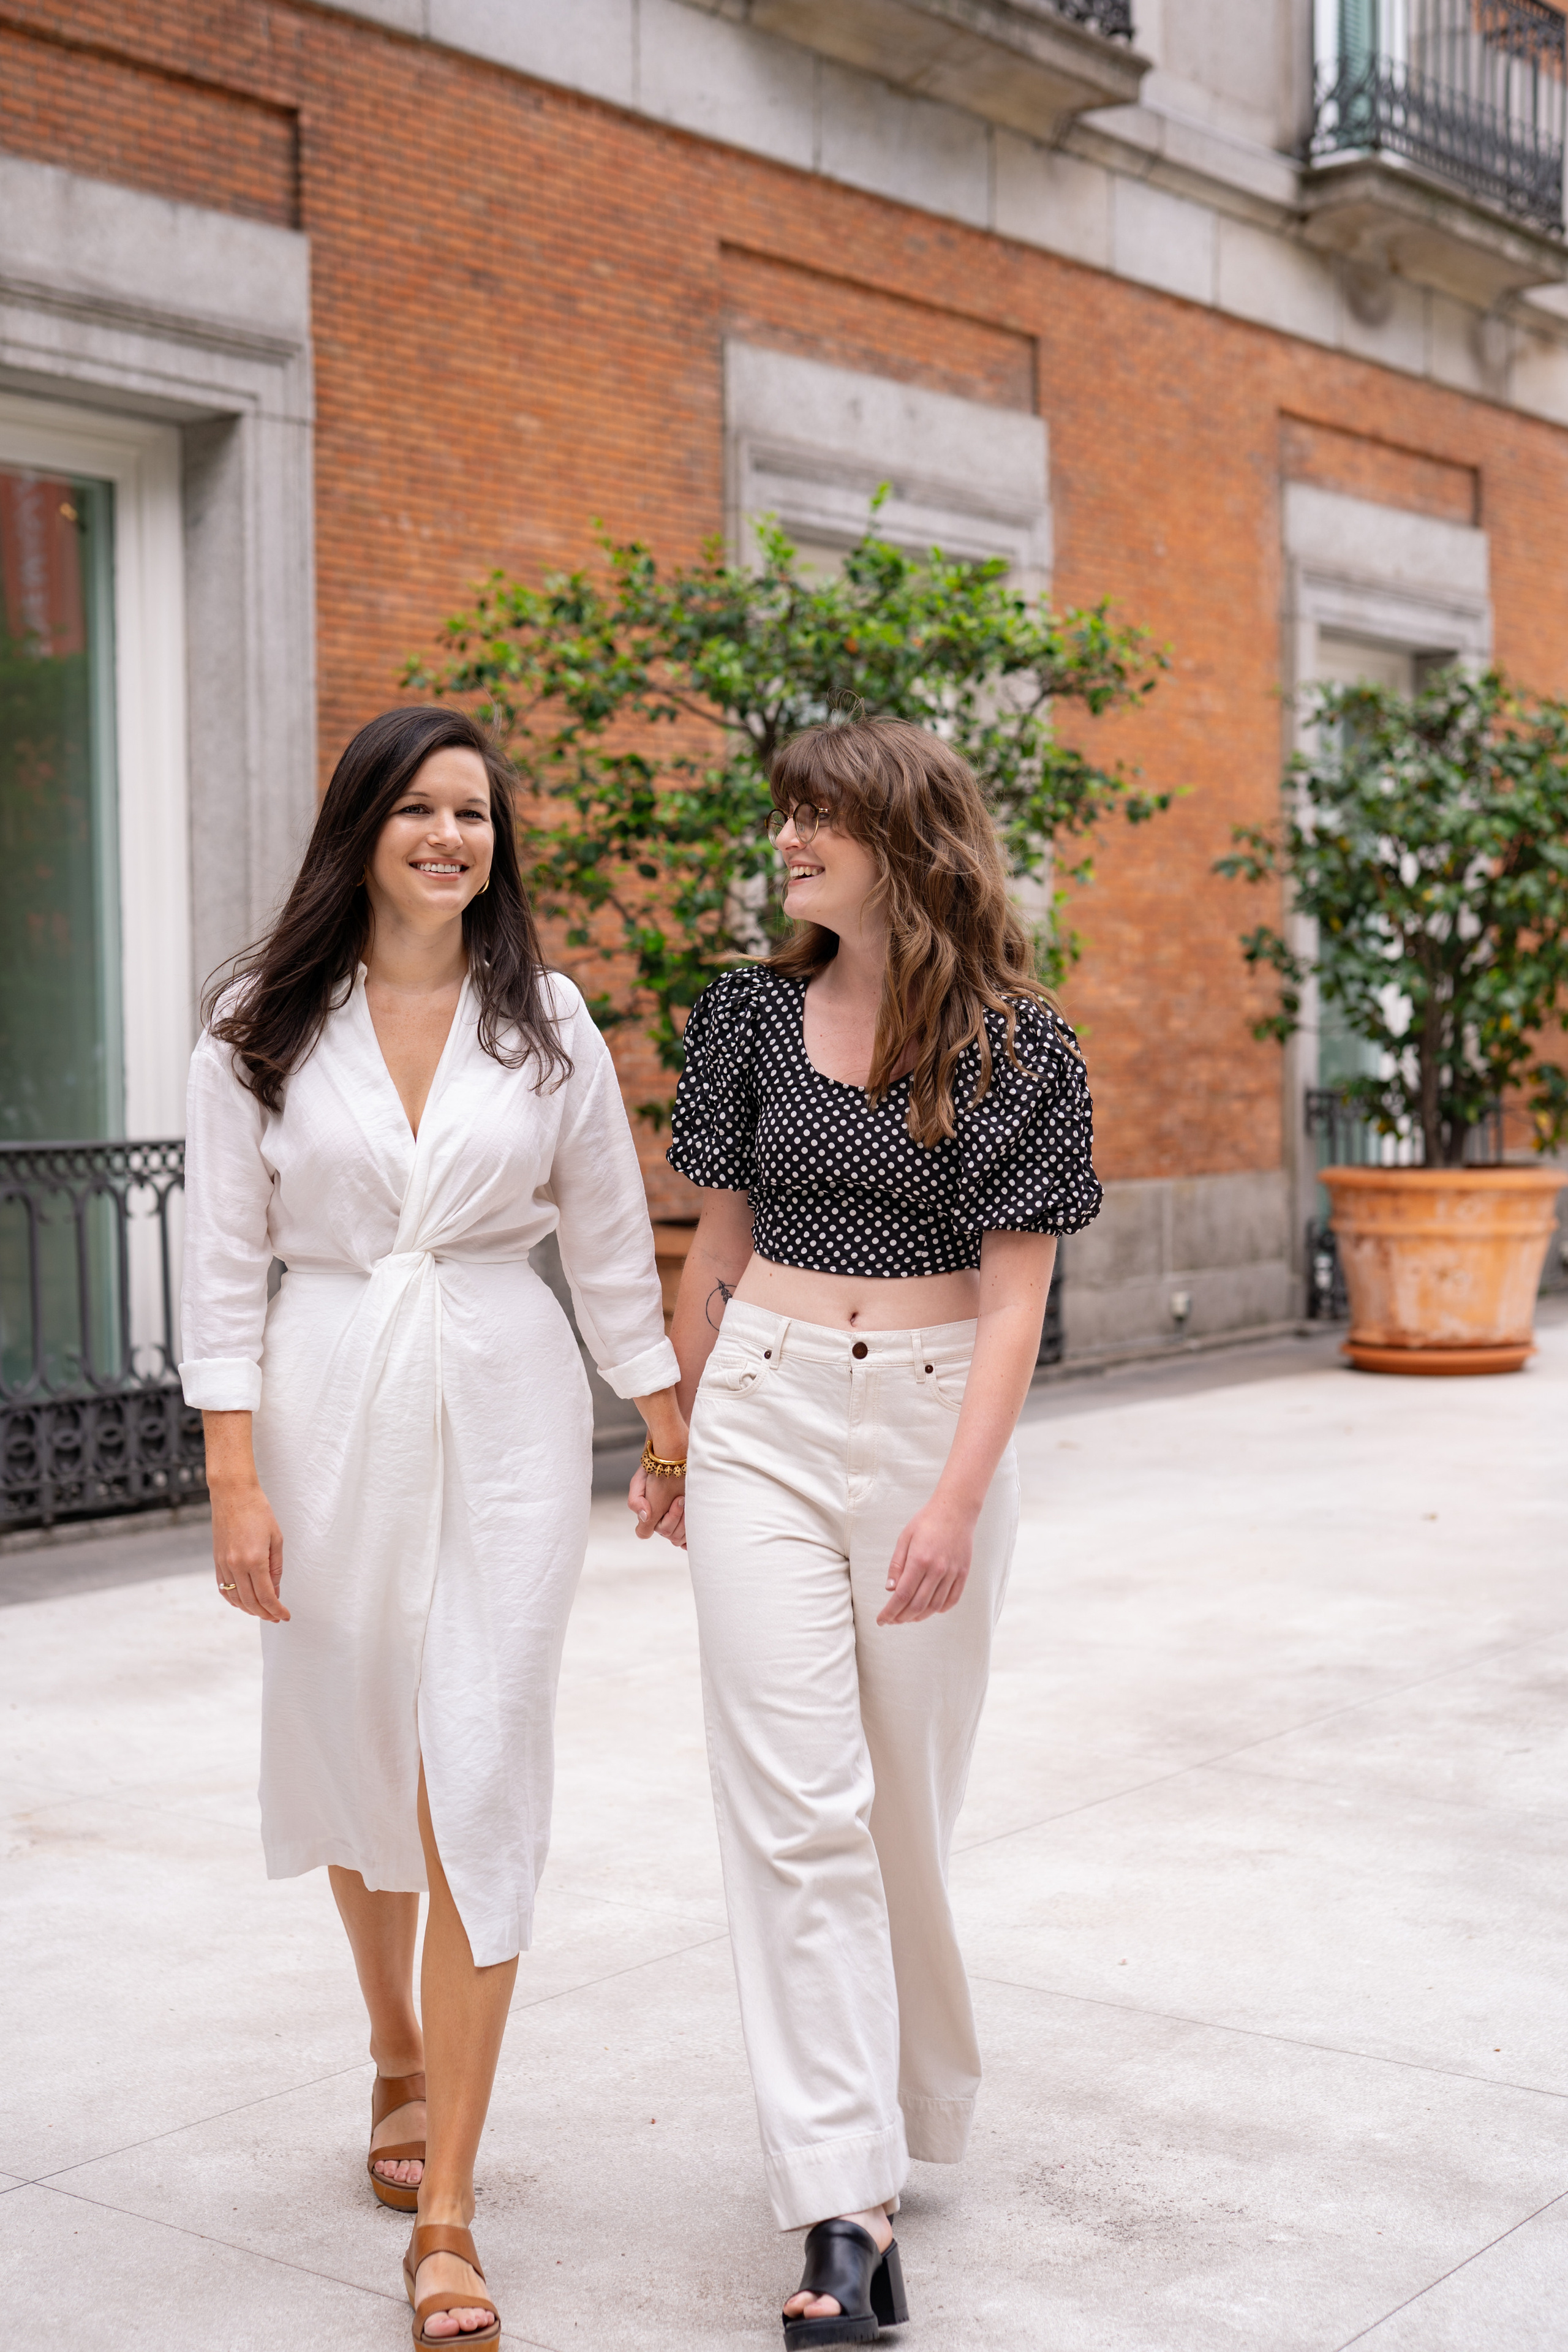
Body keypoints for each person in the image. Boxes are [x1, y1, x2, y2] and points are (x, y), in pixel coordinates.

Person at [181, 705, 687, 2347]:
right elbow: (224, 1264)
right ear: (362, 829)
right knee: (353, 1733)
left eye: (474, 813)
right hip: (327, 1394)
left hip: (507, 1400)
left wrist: (665, 1418)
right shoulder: (258, 1022)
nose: (452, 838)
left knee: (473, 1758)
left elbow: (611, 1237)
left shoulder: (544, 1019)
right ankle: (392, 2040)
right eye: (419, 809)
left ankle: (451, 2210)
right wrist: (233, 1476)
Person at [641, 716, 1102, 2346]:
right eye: (784, 820)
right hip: (764, 1406)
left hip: (926, 1420)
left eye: (815, 818)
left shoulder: (1024, 1049)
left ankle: (914, 2099)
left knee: (899, 1799)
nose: (785, 843)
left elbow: (1015, 1304)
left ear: (905, 839)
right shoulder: (749, 1016)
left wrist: (957, 1500)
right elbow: (712, 1244)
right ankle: (844, 2202)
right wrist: (680, 1436)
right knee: (796, 1807)